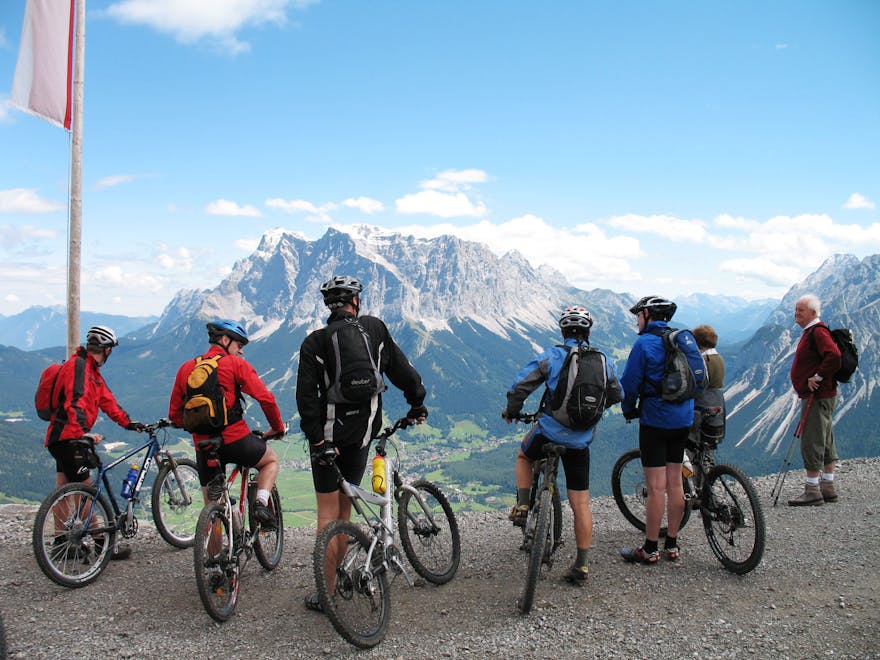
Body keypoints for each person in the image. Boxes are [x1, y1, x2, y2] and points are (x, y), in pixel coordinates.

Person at [296, 275, 428, 612]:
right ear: (356, 302)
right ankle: (345, 576)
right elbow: (403, 371)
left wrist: (317, 440)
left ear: (329, 306)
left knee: (327, 514)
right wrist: (417, 402)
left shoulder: (315, 342)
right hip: (362, 435)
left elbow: (306, 400)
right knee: (345, 508)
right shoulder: (375, 330)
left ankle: (326, 595)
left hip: (328, 439)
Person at [501, 306, 621, 585]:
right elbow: (616, 393)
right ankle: (581, 565)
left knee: (523, 456)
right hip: (580, 441)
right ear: (588, 333)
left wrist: (511, 410)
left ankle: (522, 505)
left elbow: (521, 385)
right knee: (581, 503)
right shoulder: (604, 361)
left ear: (563, 331)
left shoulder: (552, 356)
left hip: (548, 432)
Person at [168, 320, 286, 527]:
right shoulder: (235, 364)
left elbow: (174, 415)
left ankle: (214, 558)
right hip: (236, 439)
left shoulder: (186, 368)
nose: (240, 352)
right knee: (270, 461)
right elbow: (266, 399)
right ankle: (260, 504)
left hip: (204, 446)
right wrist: (277, 428)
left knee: (212, 509)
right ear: (225, 340)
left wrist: (199, 429)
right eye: (239, 346)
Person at [43, 325, 146, 560]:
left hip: (61, 438)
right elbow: (74, 401)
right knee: (87, 491)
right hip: (70, 438)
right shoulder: (79, 367)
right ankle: (104, 543)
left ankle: (62, 543)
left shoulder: (90, 371)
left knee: (64, 488)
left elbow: (108, 402)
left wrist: (129, 423)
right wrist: (83, 433)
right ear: (107, 350)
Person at [618, 296, 692, 564]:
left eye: (638, 315)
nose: (637, 321)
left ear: (647, 314)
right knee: (675, 483)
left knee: (656, 487)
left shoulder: (644, 343)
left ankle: (650, 549)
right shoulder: (682, 340)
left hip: (655, 421)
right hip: (682, 420)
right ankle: (672, 545)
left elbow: (629, 383)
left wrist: (629, 409)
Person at [787, 294, 842, 506]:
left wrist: (817, 376)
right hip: (822, 395)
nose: (796, 313)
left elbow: (834, 356)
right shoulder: (813, 331)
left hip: (816, 396)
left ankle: (812, 489)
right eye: (795, 309)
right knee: (826, 438)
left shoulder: (817, 332)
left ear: (812, 312)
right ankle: (828, 486)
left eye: (800, 310)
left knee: (812, 439)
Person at [691, 324, 726, 470]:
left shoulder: (702, 361)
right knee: (707, 451)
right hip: (717, 406)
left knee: (690, 446)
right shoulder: (718, 358)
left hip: (702, 407)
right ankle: (707, 483)